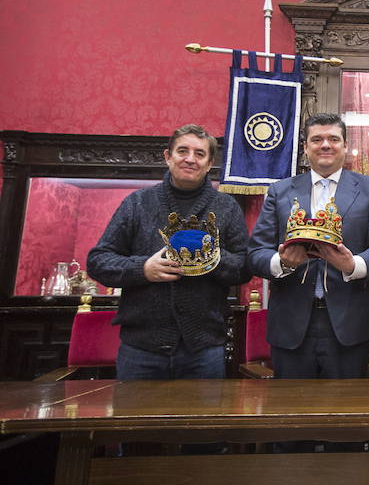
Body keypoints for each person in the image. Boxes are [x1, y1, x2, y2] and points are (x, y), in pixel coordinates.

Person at [87, 124, 249, 380]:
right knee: (133, 421)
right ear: (168, 156)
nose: (190, 159)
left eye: (199, 154)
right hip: (141, 348)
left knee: (202, 421)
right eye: (183, 151)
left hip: (204, 349)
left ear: (209, 164)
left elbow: (243, 268)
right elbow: (98, 262)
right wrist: (142, 269)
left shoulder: (226, 207)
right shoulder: (137, 203)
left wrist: (211, 258)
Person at [247, 113, 369, 379]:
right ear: (305, 147)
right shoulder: (279, 191)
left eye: (333, 139)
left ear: (345, 145)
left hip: (350, 323)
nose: (325, 145)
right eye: (316, 139)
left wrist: (353, 265)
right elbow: (256, 253)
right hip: (290, 324)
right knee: (291, 413)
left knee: (344, 413)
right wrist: (281, 263)